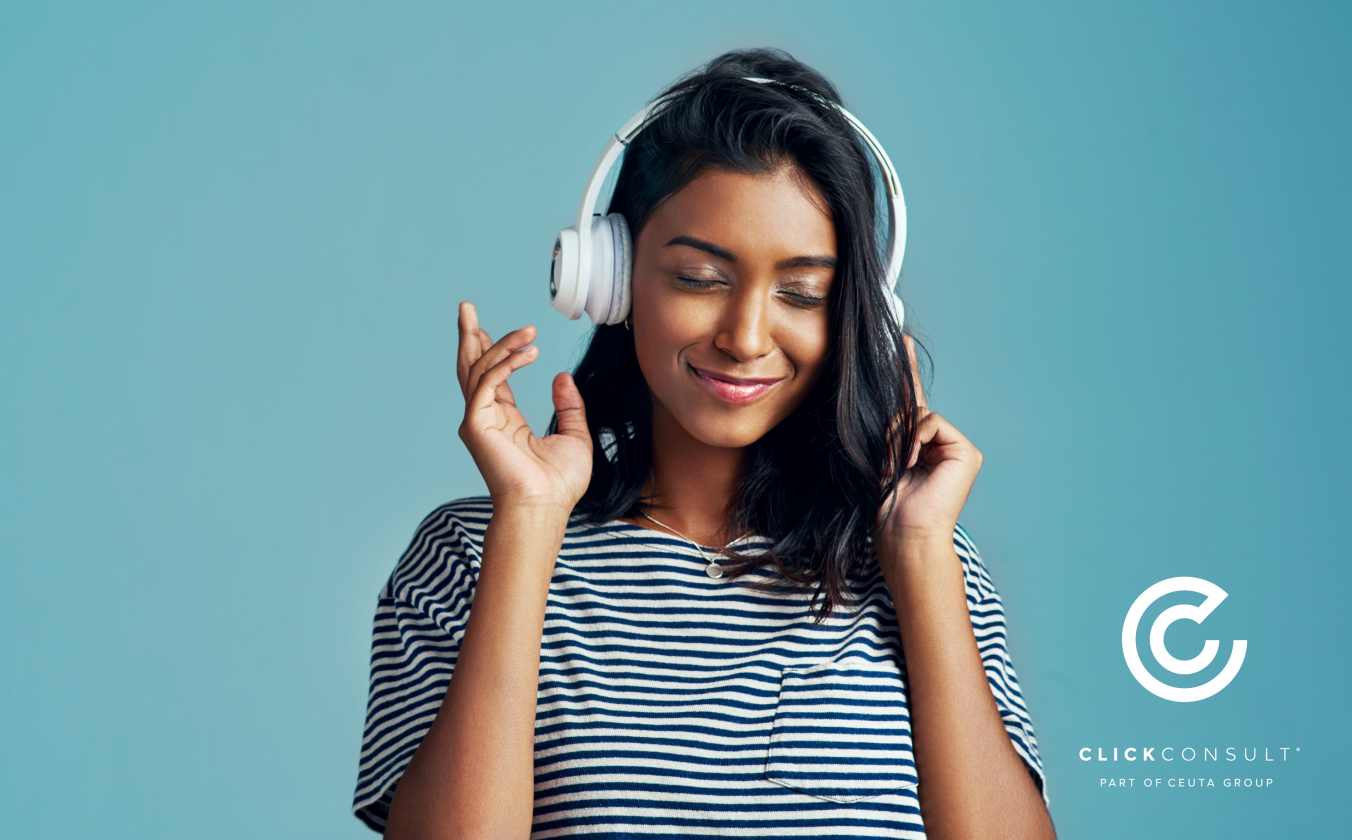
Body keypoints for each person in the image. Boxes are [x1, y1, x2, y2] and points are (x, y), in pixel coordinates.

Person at [354, 48, 1054, 839]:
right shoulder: (471, 553)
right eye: (700, 277)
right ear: (611, 277)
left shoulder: (921, 564)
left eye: (801, 293)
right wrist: (528, 525)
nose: (747, 337)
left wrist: (922, 555)